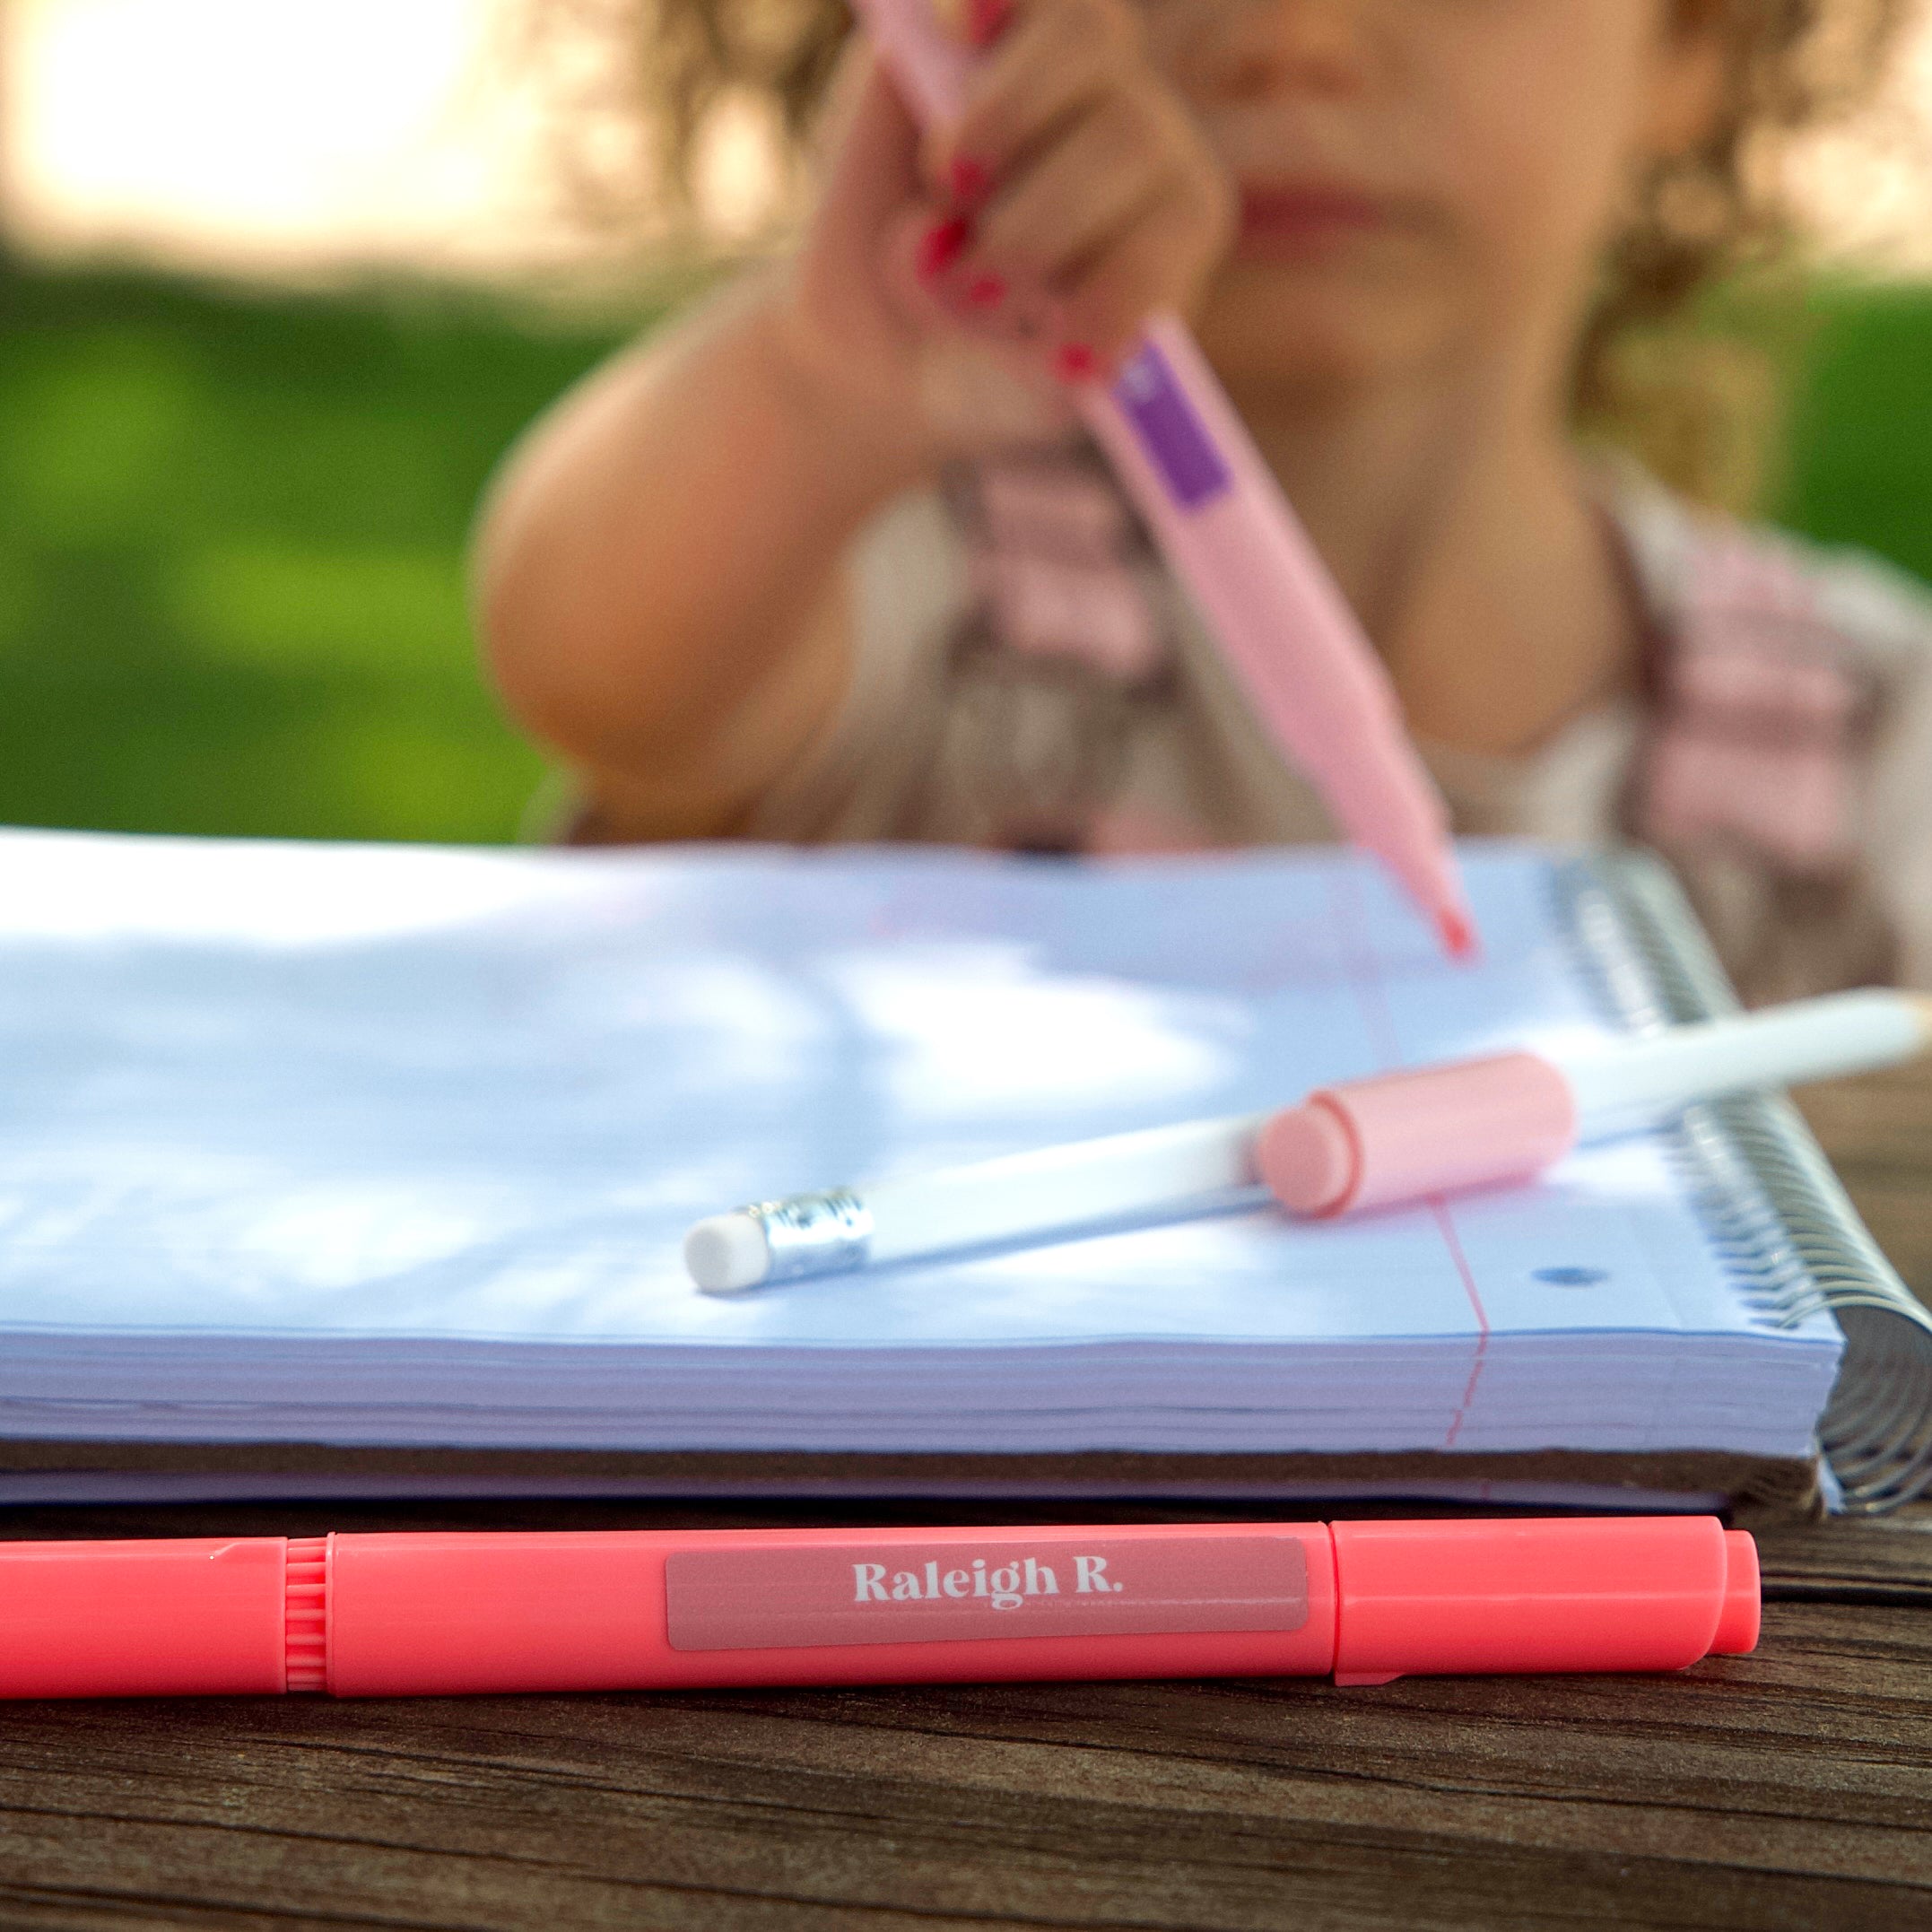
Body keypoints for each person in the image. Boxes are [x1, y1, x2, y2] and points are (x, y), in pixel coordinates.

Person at [474, 0, 1931, 1001]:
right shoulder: (890, 569)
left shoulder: (1876, 745)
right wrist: (825, 385)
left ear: (1697, 36)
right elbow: (595, 665)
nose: (1288, 40)